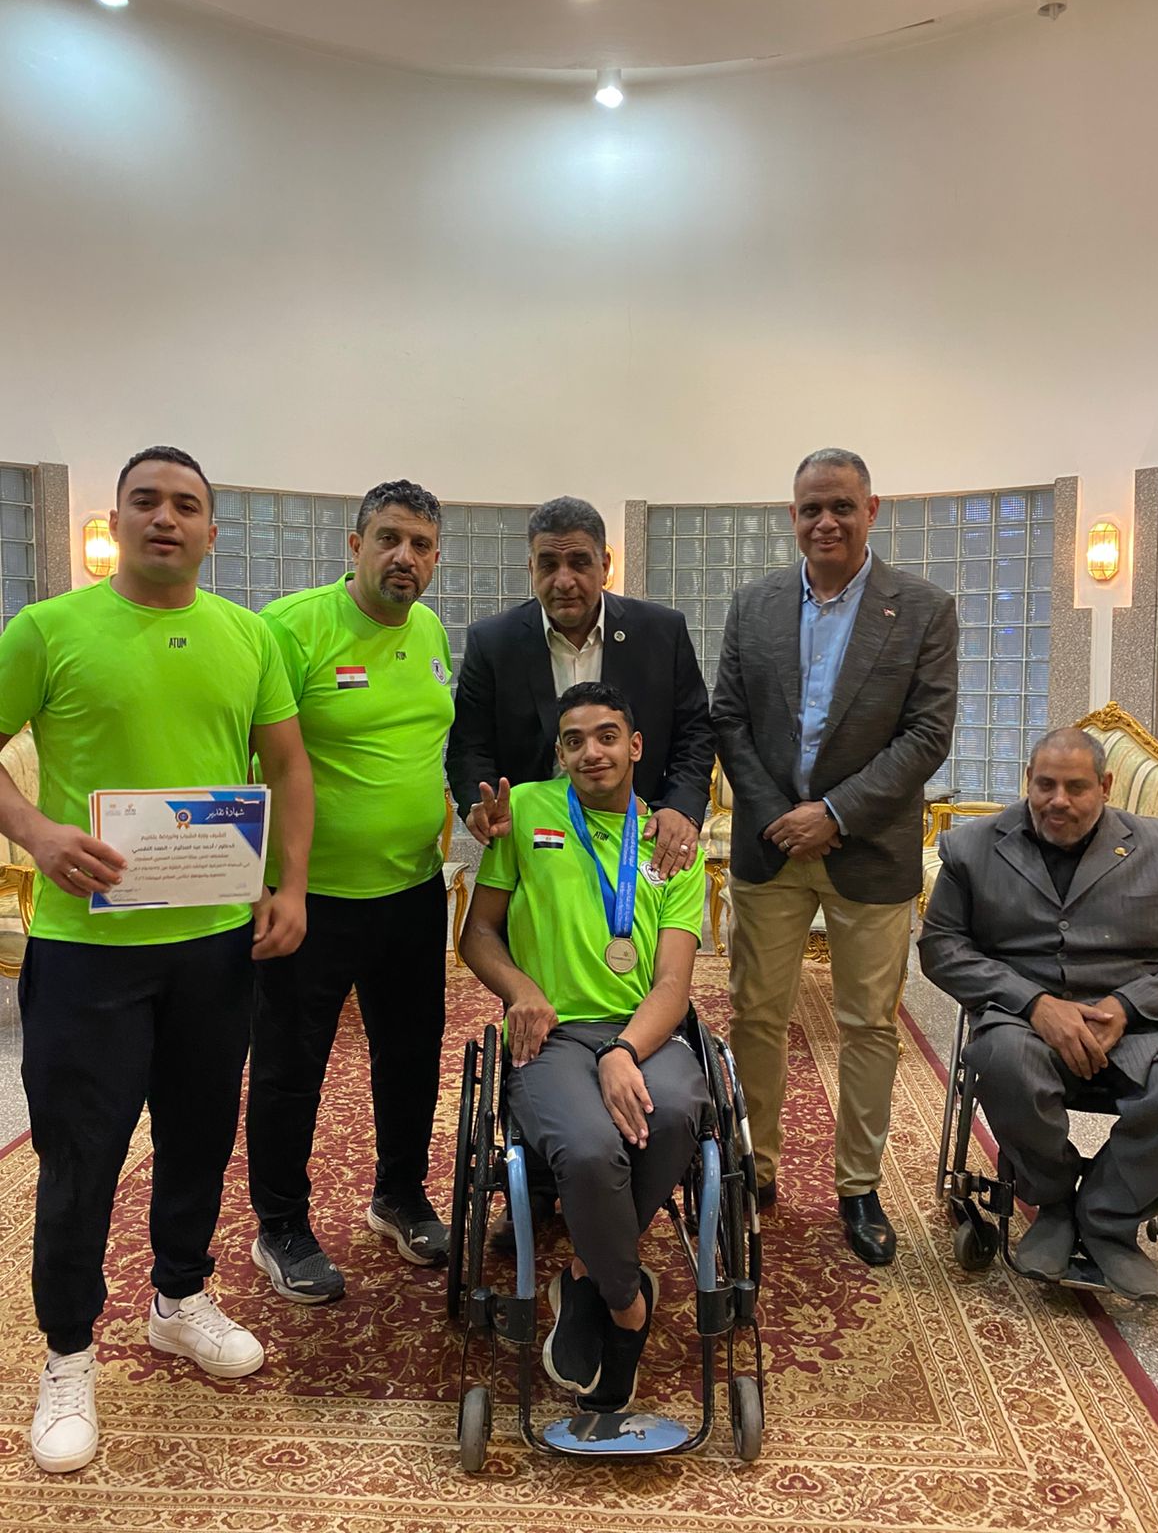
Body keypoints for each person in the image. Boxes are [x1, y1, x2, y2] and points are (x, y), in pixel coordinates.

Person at [0, 446, 313, 1474]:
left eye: (186, 505)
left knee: (198, 1137)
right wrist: (38, 833)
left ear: (211, 531)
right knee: (81, 1156)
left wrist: (290, 885)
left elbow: (288, 766)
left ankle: (179, 1298)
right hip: (86, 950)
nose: (166, 518)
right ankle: (68, 1354)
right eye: (146, 501)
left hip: (213, 948)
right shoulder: (46, 629)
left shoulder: (248, 636)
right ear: (117, 520)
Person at [711, 447, 957, 1265]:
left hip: (870, 851)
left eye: (842, 506)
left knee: (868, 1026)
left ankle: (858, 1188)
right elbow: (728, 718)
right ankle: (756, 1168)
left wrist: (837, 814)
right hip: (772, 847)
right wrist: (783, 816)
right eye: (811, 508)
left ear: (871, 511)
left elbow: (927, 734)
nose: (826, 521)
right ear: (793, 516)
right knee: (756, 1014)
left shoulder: (923, 609)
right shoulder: (753, 604)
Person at [461, 682, 708, 1411]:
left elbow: (673, 984)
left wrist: (623, 1052)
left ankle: (586, 1279)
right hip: (553, 1033)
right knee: (592, 1148)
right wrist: (520, 989)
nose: (591, 752)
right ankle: (627, 1306)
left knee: (677, 1112)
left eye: (607, 736)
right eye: (574, 741)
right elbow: (478, 934)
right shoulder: (526, 811)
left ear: (635, 746)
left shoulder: (671, 844)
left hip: (645, 1031)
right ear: (560, 753)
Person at [245, 479, 455, 1301]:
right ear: (355, 545)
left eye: (421, 545)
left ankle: (399, 1196)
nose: (405, 557)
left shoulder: (430, 631)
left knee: (411, 1056)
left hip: (411, 891)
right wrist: (265, 885)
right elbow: (243, 757)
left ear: (435, 558)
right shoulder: (291, 627)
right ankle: (281, 1226)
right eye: (389, 538)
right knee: (292, 1066)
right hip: (310, 900)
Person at [918, 727, 1158, 1300]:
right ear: (1028, 780)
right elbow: (941, 946)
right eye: (1045, 785)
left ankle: (1105, 1216)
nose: (1058, 800)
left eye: (1076, 787)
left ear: (1106, 786)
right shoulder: (972, 848)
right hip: (1025, 1017)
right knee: (1003, 1059)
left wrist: (1128, 1005)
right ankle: (1052, 1202)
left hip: (1142, 1021)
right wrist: (1034, 1003)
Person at [446, 496, 713, 878]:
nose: (564, 580)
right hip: (533, 844)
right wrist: (480, 801)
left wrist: (681, 807)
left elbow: (695, 733)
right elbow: (469, 746)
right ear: (531, 568)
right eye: (548, 564)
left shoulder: (661, 633)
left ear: (604, 566)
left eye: (580, 562)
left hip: (638, 839)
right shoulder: (493, 642)